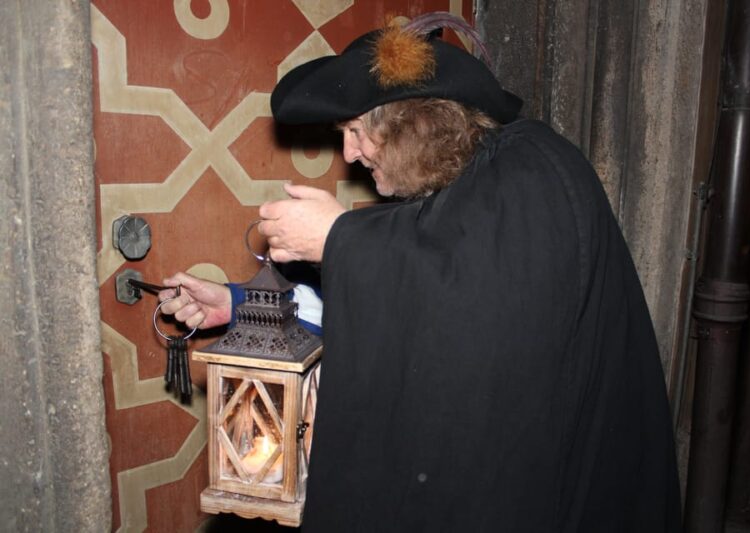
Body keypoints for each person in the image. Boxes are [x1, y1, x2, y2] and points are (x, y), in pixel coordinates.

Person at [160, 14, 682, 532]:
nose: (348, 153)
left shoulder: (530, 171)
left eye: (356, 131)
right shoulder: (460, 188)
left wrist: (336, 239)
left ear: (411, 121)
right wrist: (238, 304)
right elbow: (402, 299)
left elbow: (457, 298)